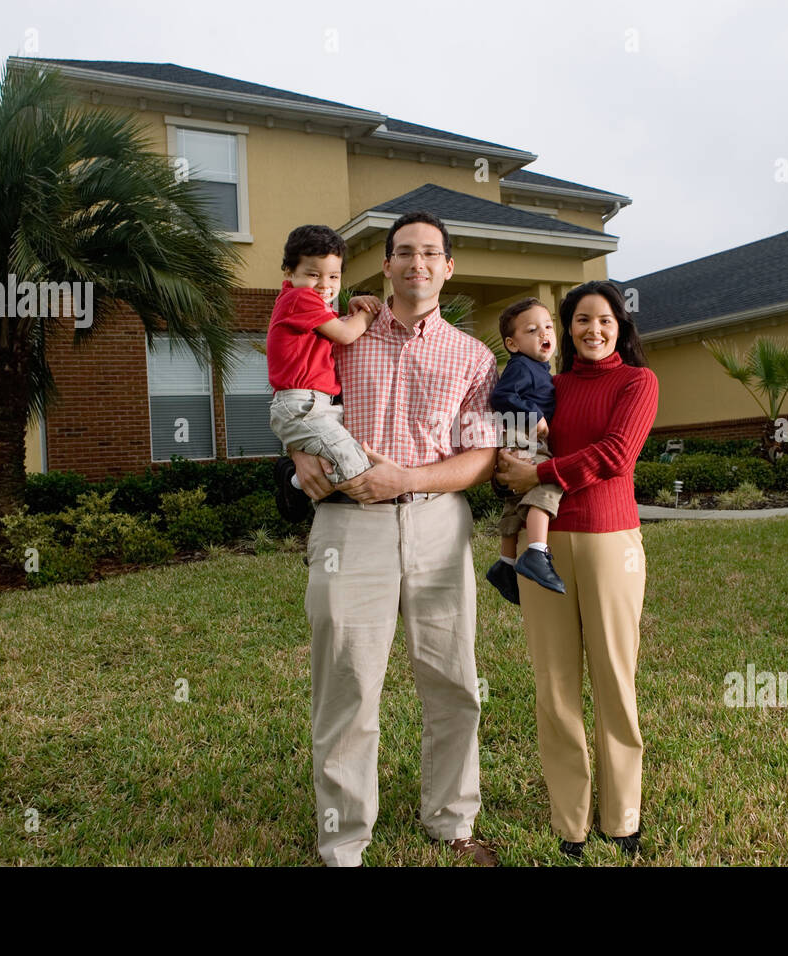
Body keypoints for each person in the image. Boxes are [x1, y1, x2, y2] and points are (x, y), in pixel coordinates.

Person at [290, 211, 503, 867]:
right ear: (385, 266)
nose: (418, 263)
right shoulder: (342, 335)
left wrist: (407, 478)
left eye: (431, 253)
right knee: (349, 682)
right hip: (350, 528)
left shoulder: (473, 356)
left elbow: (480, 457)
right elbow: (296, 394)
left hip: (440, 524)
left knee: (453, 680)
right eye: (404, 252)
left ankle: (453, 820)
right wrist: (298, 453)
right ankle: (344, 839)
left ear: (447, 267)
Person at [495, 280, 659, 860]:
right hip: (548, 546)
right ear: (567, 328)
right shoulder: (550, 386)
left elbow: (616, 455)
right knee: (555, 687)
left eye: (605, 319)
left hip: (611, 542)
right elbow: (513, 444)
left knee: (615, 681)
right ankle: (571, 824)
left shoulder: (638, 381)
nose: (594, 329)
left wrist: (538, 476)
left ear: (621, 326)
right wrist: (512, 463)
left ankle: (623, 818)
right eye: (582, 320)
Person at [266, 224, 384, 523]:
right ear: (289, 272)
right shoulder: (297, 299)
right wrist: (368, 313)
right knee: (356, 466)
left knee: (335, 466)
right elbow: (344, 334)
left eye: (333, 276)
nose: (324, 285)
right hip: (303, 406)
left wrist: (352, 305)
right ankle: (294, 482)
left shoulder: (307, 305)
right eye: (313, 274)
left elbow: (332, 326)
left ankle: (295, 482)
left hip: (314, 406)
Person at [485, 297, 565, 605]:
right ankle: (536, 552)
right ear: (512, 343)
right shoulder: (523, 367)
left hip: (517, 439)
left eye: (548, 326)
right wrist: (535, 415)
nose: (543, 333)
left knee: (516, 500)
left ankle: (505, 563)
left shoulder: (539, 368)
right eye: (532, 330)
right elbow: (502, 395)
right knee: (547, 481)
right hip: (523, 435)